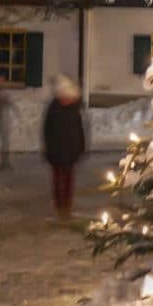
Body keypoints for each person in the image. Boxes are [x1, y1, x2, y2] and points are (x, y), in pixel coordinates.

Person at [42, 74, 86, 220]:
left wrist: (81, 147)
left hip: (70, 151)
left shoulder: (74, 110)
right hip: (57, 152)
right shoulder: (54, 110)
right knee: (58, 179)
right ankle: (59, 206)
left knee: (68, 180)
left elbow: (79, 130)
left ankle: (66, 206)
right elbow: (47, 131)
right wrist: (49, 149)